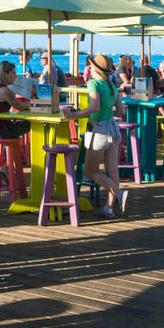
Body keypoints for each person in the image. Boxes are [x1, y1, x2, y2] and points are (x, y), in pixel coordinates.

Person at [62, 54, 129, 218]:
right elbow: (121, 112)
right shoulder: (113, 86)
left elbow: (94, 107)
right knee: (112, 171)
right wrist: (107, 110)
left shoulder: (93, 83)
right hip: (114, 130)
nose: (89, 68)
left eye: (90, 66)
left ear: (95, 69)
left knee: (90, 171)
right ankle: (109, 208)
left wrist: (75, 114)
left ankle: (118, 192)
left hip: (100, 131)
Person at [0, 61, 31, 140]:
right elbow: (21, 107)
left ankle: (10, 152)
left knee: (20, 123)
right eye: (13, 73)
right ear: (5, 74)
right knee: (32, 123)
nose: (16, 76)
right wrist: (36, 103)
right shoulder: (4, 91)